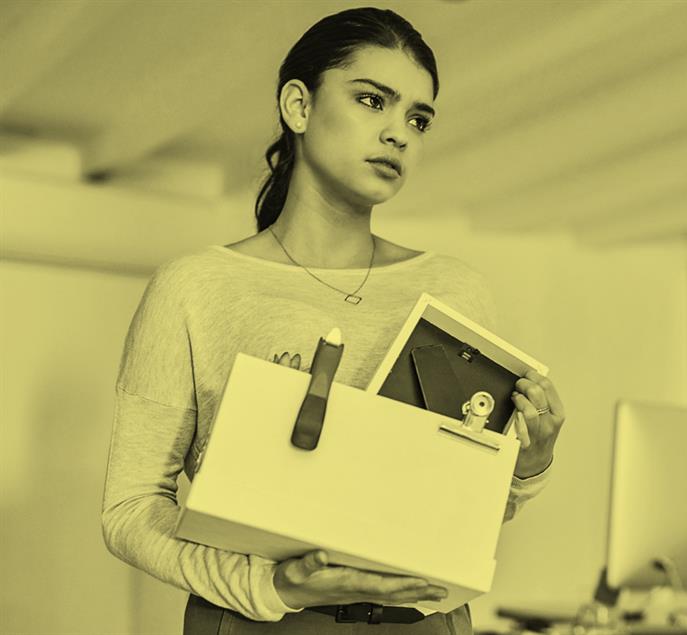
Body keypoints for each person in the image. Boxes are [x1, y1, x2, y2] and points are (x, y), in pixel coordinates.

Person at [101, 6, 567, 634]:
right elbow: (130, 510)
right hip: (258, 621)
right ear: (298, 105)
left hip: (427, 621)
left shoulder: (455, 290)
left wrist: (529, 462)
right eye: (373, 101)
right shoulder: (194, 288)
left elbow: (471, 512)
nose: (399, 133)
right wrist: (270, 585)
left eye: (418, 118)